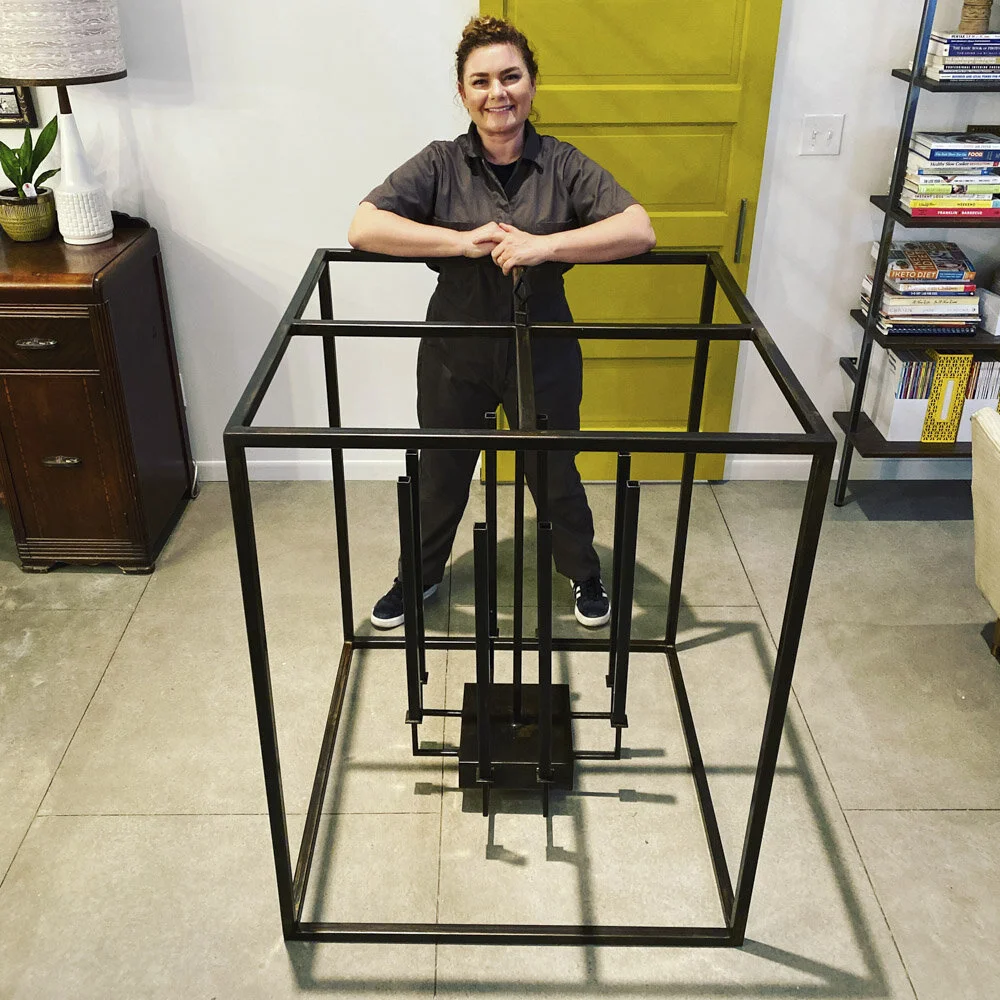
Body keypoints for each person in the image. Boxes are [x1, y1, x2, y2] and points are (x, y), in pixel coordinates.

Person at [348, 15, 656, 631]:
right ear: (463, 93)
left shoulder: (563, 164)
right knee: (441, 470)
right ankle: (419, 574)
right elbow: (364, 226)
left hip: (542, 343)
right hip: (455, 344)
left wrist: (547, 246)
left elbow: (638, 228)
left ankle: (583, 572)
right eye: (482, 81)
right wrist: (459, 242)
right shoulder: (439, 163)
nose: (498, 93)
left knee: (554, 468)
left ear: (532, 84)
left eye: (511, 77)